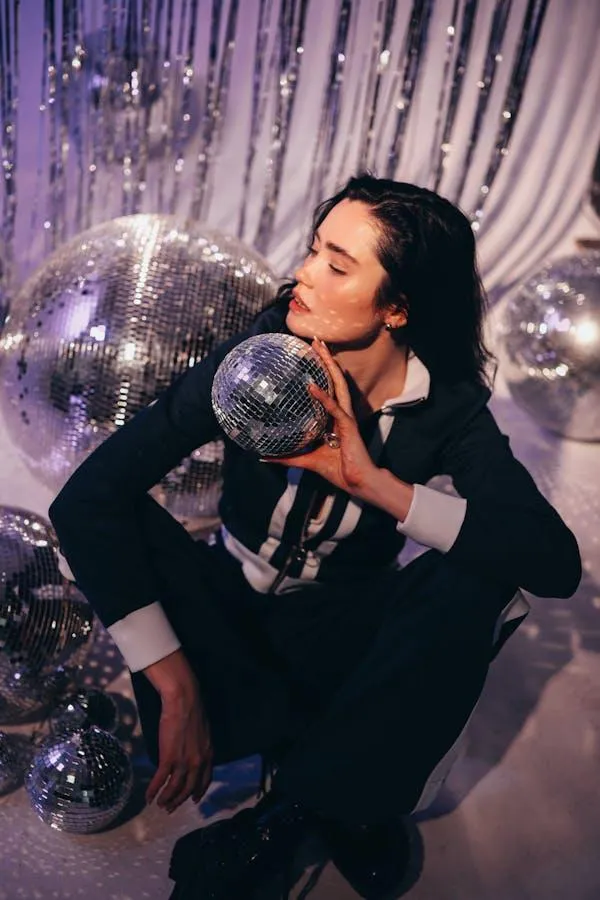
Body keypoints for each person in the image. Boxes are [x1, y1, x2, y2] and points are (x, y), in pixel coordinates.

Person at [49, 174, 581, 900]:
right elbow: (88, 499)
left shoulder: (448, 407)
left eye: (336, 265)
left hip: (340, 635)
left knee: (477, 571)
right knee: (116, 517)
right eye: (313, 251)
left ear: (397, 308)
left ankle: (288, 814)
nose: (302, 274)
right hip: (223, 616)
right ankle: (328, 784)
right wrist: (176, 686)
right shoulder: (259, 356)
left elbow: (552, 563)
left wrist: (376, 484)